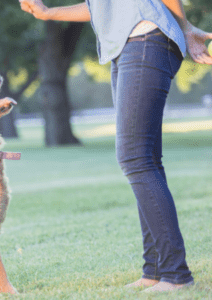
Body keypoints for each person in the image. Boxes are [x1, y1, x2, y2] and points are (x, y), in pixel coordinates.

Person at [20, 0, 212, 292]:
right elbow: (99, 6)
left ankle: (176, 275)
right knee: (145, 159)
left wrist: (185, 27)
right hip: (127, 47)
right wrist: (49, 13)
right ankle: (155, 270)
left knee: (135, 159)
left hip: (146, 38)